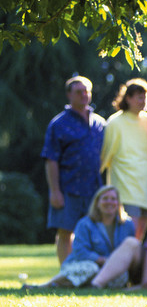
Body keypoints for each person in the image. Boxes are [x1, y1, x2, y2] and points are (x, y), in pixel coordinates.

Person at [42, 76, 106, 263]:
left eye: (87, 91)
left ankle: (89, 273)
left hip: (94, 189)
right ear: (69, 95)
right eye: (79, 91)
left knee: (93, 232)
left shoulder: (99, 123)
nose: (84, 95)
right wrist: (55, 191)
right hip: (67, 187)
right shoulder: (58, 124)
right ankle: (66, 273)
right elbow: (51, 159)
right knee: (65, 231)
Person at [33, 186, 141, 289]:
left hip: (109, 269)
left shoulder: (127, 225)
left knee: (121, 276)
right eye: (105, 199)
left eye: (113, 199)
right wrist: (101, 260)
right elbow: (80, 252)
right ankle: (47, 285)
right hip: (84, 264)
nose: (109, 202)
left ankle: (83, 285)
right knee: (90, 268)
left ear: (118, 203)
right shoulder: (85, 224)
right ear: (97, 203)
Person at [100, 78, 147, 240]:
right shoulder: (115, 122)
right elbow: (105, 154)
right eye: (139, 97)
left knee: (146, 233)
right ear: (127, 98)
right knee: (129, 231)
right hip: (126, 185)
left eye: (145, 97)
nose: (143, 101)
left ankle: (139, 265)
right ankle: (124, 264)